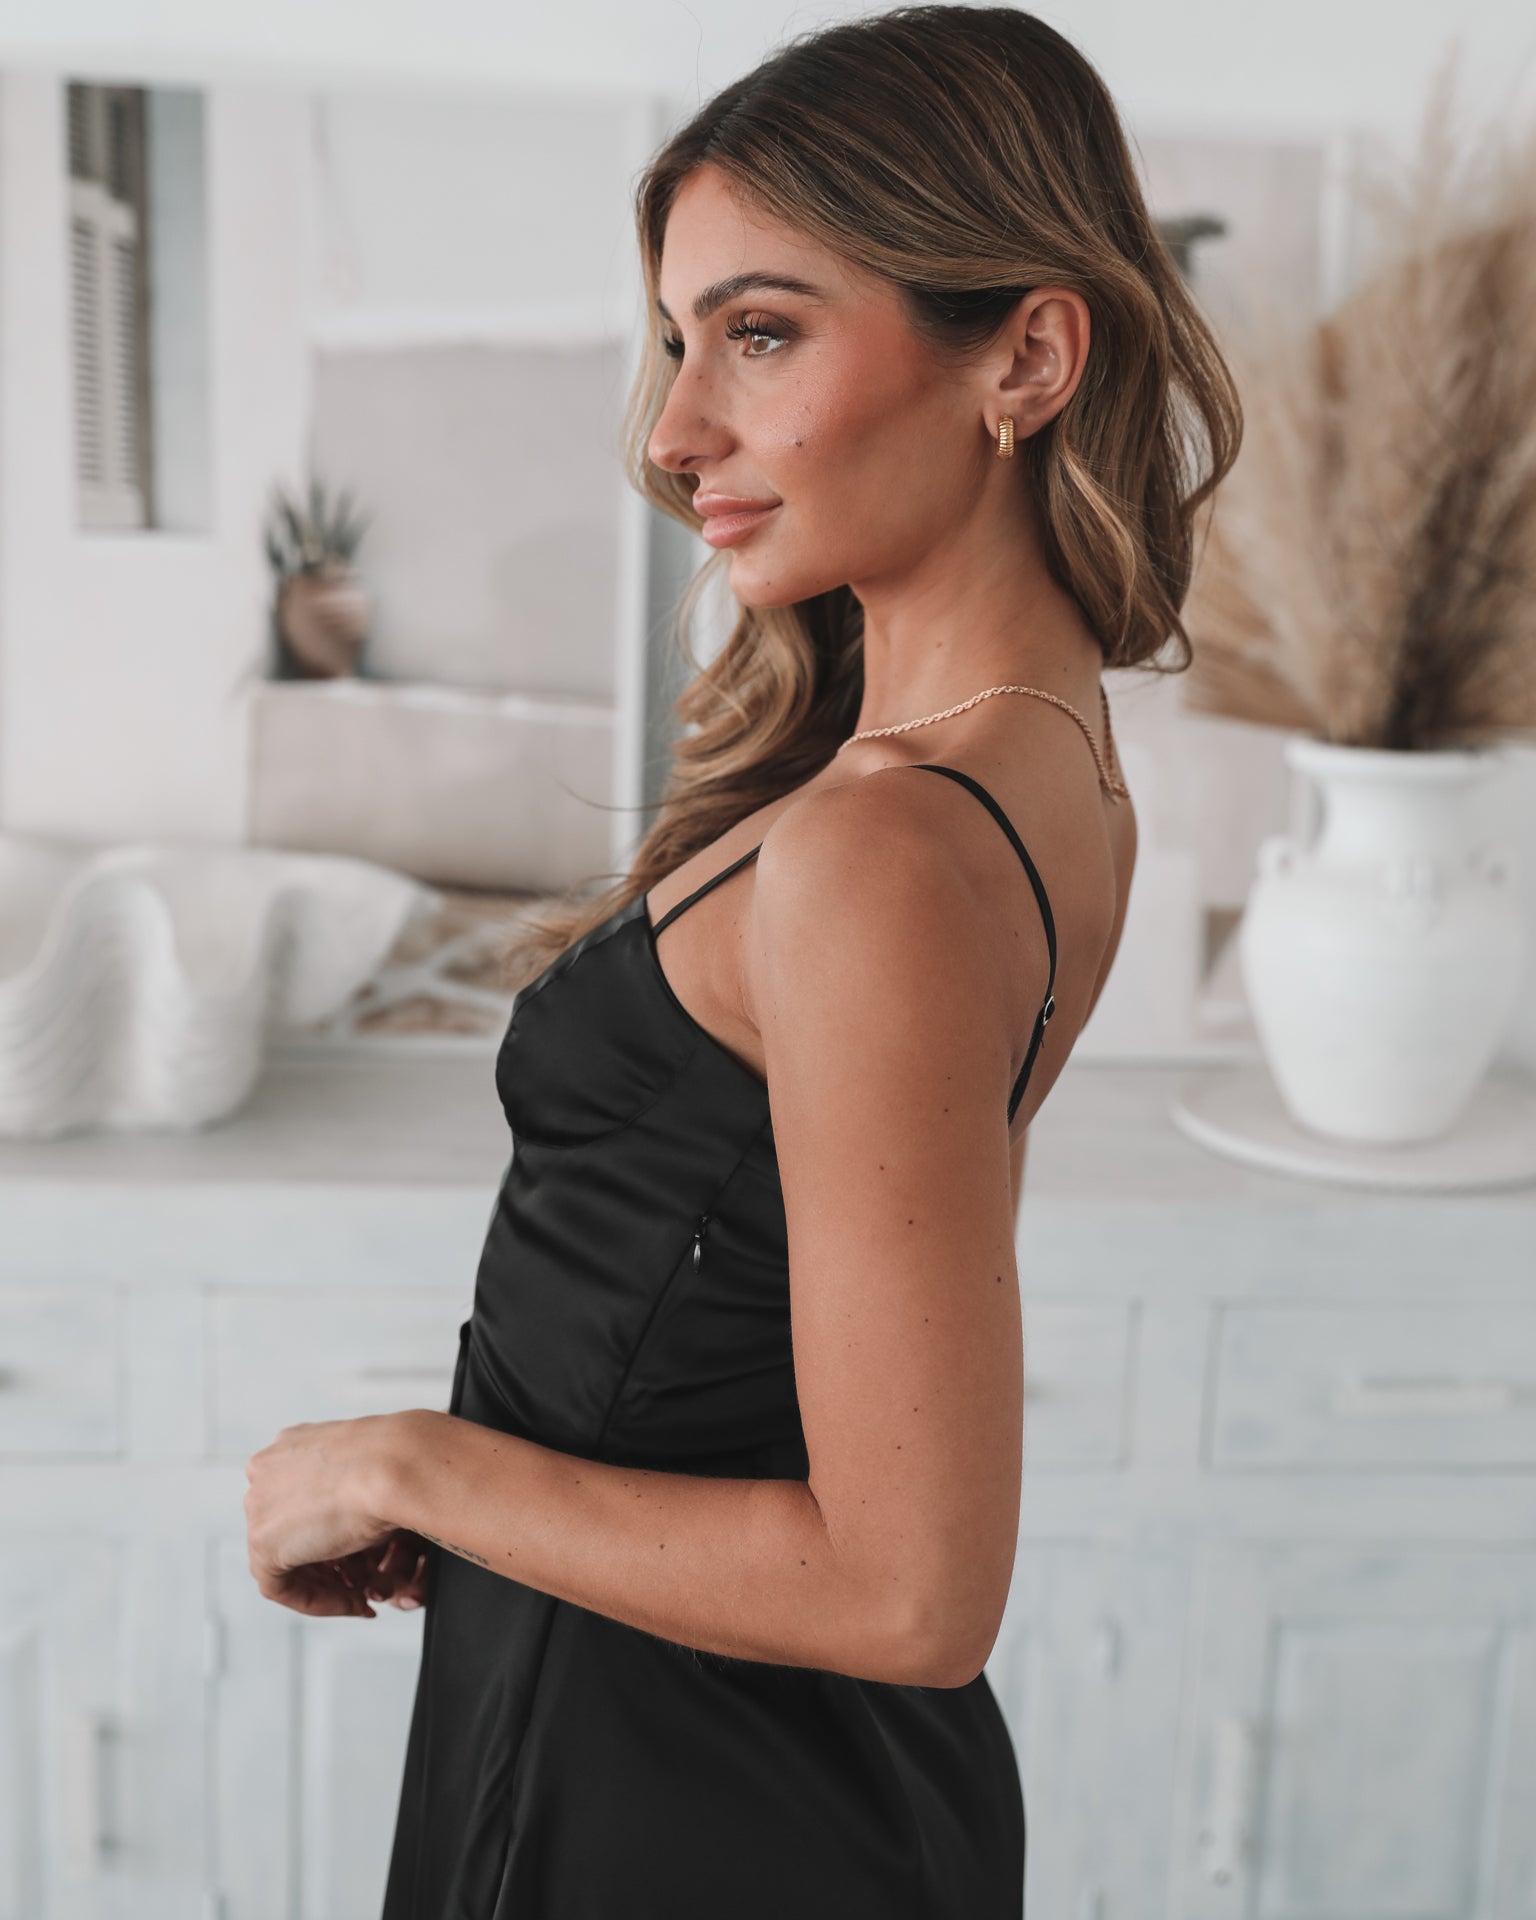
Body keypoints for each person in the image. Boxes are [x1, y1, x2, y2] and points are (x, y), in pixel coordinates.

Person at [242, 6, 1242, 1913]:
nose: (675, 428)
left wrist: (413, 1468)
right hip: (720, 1739)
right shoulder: (1047, 759)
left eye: (761, 333)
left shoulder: (885, 844)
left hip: (678, 1797)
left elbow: (912, 1590)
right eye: (679, 339)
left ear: (1028, 356)